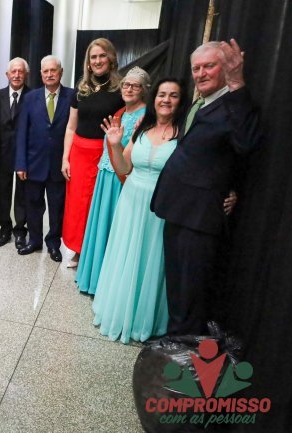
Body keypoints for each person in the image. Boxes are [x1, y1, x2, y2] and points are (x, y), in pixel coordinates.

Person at [151, 39, 262, 335]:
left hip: (200, 215)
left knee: (191, 289)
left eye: (208, 66)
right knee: (177, 283)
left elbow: (246, 144)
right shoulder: (203, 102)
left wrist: (238, 85)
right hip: (179, 208)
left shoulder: (235, 104)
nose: (200, 74)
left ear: (226, 68)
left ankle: (184, 346)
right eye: (196, 68)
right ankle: (174, 341)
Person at [91, 78, 186, 344]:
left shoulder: (184, 135)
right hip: (131, 201)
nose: (166, 100)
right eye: (162, 94)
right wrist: (115, 144)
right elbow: (123, 168)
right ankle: (118, 312)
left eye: (173, 95)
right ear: (153, 99)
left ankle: (145, 320)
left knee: (150, 259)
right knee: (125, 254)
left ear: (181, 101)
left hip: (161, 207)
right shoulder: (142, 129)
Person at [76, 67, 149, 294]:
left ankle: (109, 285)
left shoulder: (146, 116)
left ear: (144, 90)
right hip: (105, 177)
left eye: (135, 85)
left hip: (122, 181)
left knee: (115, 231)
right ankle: (94, 278)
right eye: (126, 84)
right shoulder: (119, 113)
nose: (129, 89)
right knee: (100, 227)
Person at [61, 38, 123, 267]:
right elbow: (71, 127)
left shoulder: (120, 90)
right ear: (88, 62)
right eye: (93, 57)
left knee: (96, 204)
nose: (97, 61)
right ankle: (78, 250)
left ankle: (95, 253)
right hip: (78, 154)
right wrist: (65, 158)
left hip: (104, 154)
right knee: (77, 205)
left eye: (102, 56)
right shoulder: (81, 89)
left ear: (111, 58)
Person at [15, 55, 74, 262]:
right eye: (45, 71)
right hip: (33, 163)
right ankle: (34, 240)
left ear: (61, 72)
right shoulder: (30, 98)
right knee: (33, 205)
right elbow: (22, 132)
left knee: (57, 207)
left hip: (60, 164)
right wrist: (20, 163)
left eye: (53, 70)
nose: (49, 74)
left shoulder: (72, 96)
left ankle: (54, 243)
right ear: (41, 74)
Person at [0, 57, 31, 249]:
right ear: (7, 74)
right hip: (3, 154)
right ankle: (4, 229)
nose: (16, 75)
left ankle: (20, 230)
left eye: (20, 71)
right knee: (3, 192)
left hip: (25, 153)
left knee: (23, 193)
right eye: (13, 71)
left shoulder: (33, 96)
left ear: (26, 74)